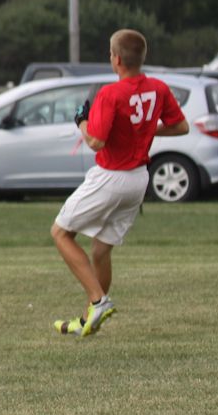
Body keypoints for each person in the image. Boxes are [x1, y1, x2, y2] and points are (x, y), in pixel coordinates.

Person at [51, 29, 188, 337]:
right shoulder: (158, 88)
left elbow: (96, 141)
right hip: (139, 180)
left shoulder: (110, 94)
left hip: (111, 176)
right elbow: (181, 127)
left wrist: (81, 121)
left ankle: (98, 301)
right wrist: (146, 130)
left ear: (116, 59)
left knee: (60, 233)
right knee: (100, 250)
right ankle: (88, 319)